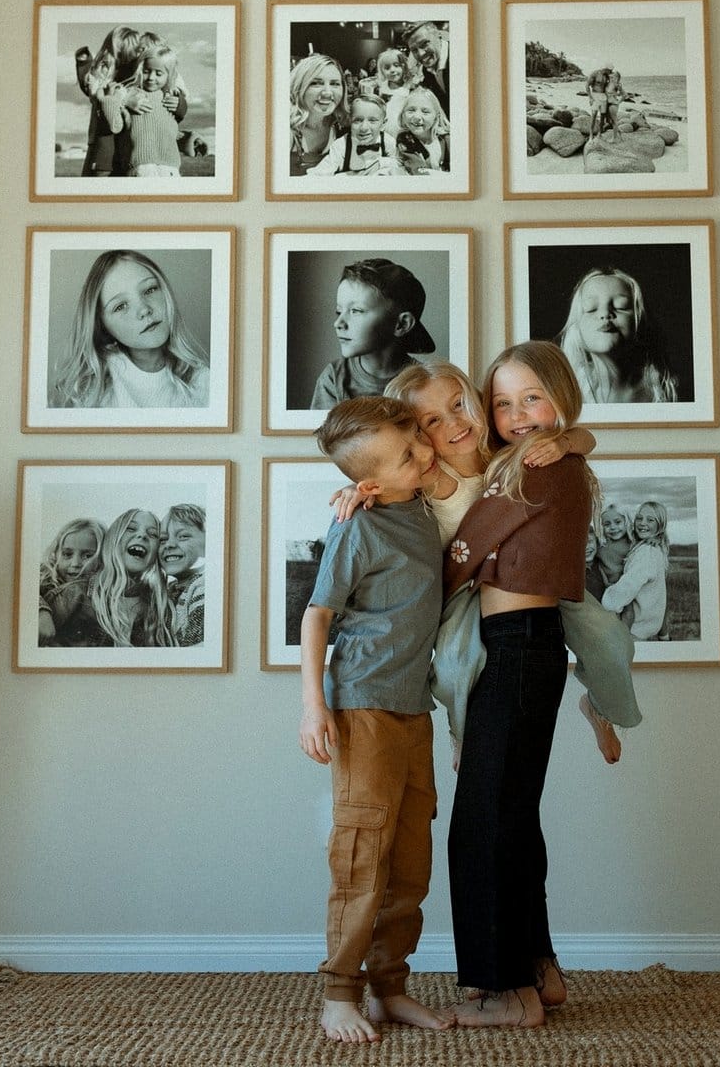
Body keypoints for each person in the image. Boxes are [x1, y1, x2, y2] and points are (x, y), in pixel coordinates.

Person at [332, 359, 638, 765]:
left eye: (459, 404)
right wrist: (355, 490)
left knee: (612, 639)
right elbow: (378, 474)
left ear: (477, 400)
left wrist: (564, 443)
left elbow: (587, 437)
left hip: (532, 576)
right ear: (416, 435)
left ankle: (601, 708)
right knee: (454, 666)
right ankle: (461, 732)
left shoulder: (508, 450)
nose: (455, 423)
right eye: (433, 421)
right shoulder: (422, 479)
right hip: (466, 589)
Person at [443, 341, 601, 1028]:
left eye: (532, 397)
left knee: (482, 824)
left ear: (562, 397)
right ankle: (539, 968)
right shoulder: (551, 459)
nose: (517, 414)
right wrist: (573, 435)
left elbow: (465, 549)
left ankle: (506, 991)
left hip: (517, 646)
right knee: (510, 815)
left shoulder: (542, 466)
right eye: (502, 403)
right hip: (525, 646)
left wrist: (422, 592)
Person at [298, 396, 454, 1044]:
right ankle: (340, 992)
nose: (424, 454)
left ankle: (391, 988)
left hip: (414, 707)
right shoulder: (355, 527)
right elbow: (317, 615)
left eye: (418, 440)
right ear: (367, 484)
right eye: (406, 456)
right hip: (362, 705)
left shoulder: (423, 505)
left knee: (411, 857)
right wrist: (313, 705)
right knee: (363, 852)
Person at [50, 250, 210, 410]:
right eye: (120, 306)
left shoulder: (205, 383)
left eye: (150, 290)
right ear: (102, 325)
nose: (144, 310)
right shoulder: (88, 395)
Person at [310, 259, 435, 409]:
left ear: (402, 324)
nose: (338, 323)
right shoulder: (335, 378)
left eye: (356, 311)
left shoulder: (426, 382)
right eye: (339, 311)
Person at [558, 266, 680, 404]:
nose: (605, 314)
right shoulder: (563, 395)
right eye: (591, 308)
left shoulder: (666, 392)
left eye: (621, 306)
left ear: (639, 321)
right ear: (576, 327)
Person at [75, 28, 187, 177]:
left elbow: (178, 95)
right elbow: (102, 93)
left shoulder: (160, 75)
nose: (139, 54)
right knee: (100, 173)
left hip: (136, 146)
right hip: (106, 136)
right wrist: (125, 99)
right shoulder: (126, 73)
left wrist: (179, 104)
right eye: (138, 50)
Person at [87, 509, 175, 647]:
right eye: (131, 528)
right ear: (113, 540)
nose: (142, 535)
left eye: (153, 534)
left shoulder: (161, 607)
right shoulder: (76, 594)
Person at [100, 44, 184, 177]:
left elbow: (170, 132)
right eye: (146, 71)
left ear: (169, 75)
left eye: (158, 73)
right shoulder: (130, 94)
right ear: (139, 69)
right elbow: (115, 126)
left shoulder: (171, 97)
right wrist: (112, 99)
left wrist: (191, 138)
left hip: (170, 169)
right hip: (142, 169)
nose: (151, 77)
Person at [602, 501, 670, 640]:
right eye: (639, 518)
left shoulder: (646, 552)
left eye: (650, 520)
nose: (642, 523)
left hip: (635, 630)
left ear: (660, 524)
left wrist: (608, 601)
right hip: (643, 628)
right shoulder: (649, 547)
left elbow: (628, 586)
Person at [38, 518, 106, 645]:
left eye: (87, 556)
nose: (75, 563)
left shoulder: (106, 591)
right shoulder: (44, 578)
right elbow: (23, 590)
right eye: (67, 554)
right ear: (56, 554)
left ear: (103, 559)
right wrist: (41, 611)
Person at [306, 94, 401, 176]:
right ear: (350, 121)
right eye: (358, 120)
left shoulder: (388, 142)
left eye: (372, 120)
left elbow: (398, 164)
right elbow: (321, 172)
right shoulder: (341, 145)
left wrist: (381, 163)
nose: (364, 128)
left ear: (383, 124)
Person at [289, 54, 350, 176]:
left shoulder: (342, 127)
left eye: (335, 84)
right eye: (316, 83)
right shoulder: (287, 130)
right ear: (299, 86)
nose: (327, 93)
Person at [159, 504, 205, 646]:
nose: (169, 544)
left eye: (183, 536)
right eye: (162, 539)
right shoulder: (169, 591)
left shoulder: (203, 586)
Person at [393, 88, 451, 174]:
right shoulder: (405, 139)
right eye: (411, 110)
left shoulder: (447, 138)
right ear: (403, 114)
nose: (417, 117)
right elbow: (418, 171)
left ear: (436, 116)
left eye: (425, 112)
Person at [404, 21, 450, 115]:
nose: (421, 54)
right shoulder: (426, 70)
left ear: (439, 36)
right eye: (414, 50)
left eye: (424, 44)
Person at [585, 63, 612, 140]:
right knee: (594, 115)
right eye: (609, 70)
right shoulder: (595, 73)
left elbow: (608, 88)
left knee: (602, 116)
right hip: (595, 95)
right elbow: (587, 85)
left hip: (603, 96)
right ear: (605, 69)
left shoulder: (607, 76)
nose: (610, 72)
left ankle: (599, 133)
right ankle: (591, 134)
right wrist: (590, 98)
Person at [605, 69, 625, 141]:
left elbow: (624, 95)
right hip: (607, 104)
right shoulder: (608, 84)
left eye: (613, 76)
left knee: (614, 121)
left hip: (613, 104)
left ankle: (614, 138)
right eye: (611, 76)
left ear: (617, 77)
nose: (611, 77)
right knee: (608, 121)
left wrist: (618, 102)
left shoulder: (617, 85)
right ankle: (618, 131)